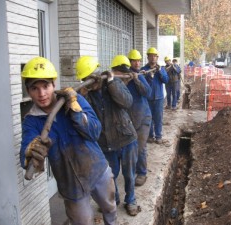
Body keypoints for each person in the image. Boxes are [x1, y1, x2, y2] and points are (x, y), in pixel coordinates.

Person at [19, 57, 117, 225]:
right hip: (70, 183)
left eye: (45, 86)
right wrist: (30, 153)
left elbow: (95, 131)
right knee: (82, 222)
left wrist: (76, 111)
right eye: (34, 88)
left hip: (97, 169)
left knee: (110, 208)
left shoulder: (74, 99)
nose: (41, 94)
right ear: (28, 91)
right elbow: (25, 155)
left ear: (53, 84)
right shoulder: (31, 121)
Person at [76, 55, 140, 216]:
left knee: (129, 174)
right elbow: (85, 120)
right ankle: (114, 200)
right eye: (85, 80)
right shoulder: (86, 95)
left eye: (91, 79)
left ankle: (131, 201)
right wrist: (82, 97)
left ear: (98, 74)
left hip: (126, 138)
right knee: (110, 176)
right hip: (106, 143)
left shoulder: (114, 83)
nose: (90, 83)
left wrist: (111, 83)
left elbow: (127, 102)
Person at [124, 49, 152, 186]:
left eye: (139, 60)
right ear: (129, 62)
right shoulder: (123, 77)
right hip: (131, 118)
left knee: (140, 147)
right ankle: (134, 169)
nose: (137, 63)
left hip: (144, 117)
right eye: (135, 60)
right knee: (131, 147)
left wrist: (137, 81)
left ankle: (142, 173)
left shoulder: (139, 76)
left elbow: (148, 92)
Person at [141, 47, 169, 144]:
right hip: (147, 98)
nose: (153, 58)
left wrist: (160, 72)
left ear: (157, 58)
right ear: (147, 57)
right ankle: (150, 136)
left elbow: (166, 80)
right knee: (148, 118)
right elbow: (141, 83)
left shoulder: (161, 69)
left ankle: (158, 136)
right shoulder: (144, 70)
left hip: (158, 98)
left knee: (158, 118)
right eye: (151, 56)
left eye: (154, 56)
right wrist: (148, 76)